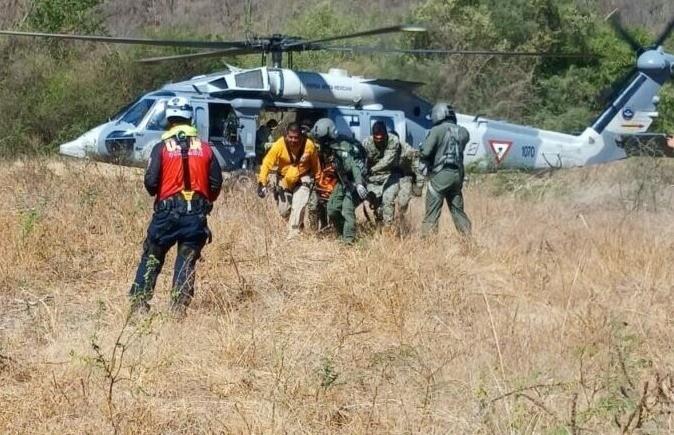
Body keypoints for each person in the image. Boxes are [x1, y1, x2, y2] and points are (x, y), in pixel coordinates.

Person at [129, 96, 223, 317]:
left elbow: (151, 184)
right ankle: (178, 309)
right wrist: (203, 202)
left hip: (166, 215)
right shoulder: (207, 149)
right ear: (190, 118)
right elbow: (216, 183)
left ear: (169, 119)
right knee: (186, 261)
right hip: (195, 216)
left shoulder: (161, 148)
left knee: (152, 256)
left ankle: (139, 307)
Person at [257, 122, 321, 238]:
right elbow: (267, 163)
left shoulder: (309, 145)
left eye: (296, 137)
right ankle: (298, 224)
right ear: (286, 135)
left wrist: (318, 180)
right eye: (290, 137)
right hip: (284, 180)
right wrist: (262, 182)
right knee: (284, 211)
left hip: (303, 179)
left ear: (300, 135)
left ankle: (293, 236)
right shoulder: (279, 145)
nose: (293, 140)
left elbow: (316, 164)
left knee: (298, 206)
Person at [311, 118, 368, 243]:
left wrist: (359, 184)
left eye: (322, 139)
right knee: (332, 209)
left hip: (355, 181)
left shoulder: (343, 147)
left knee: (347, 209)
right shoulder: (328, 145)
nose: (320, 142)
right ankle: (344, 234)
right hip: (343, 181)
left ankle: (349, 241)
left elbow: (354, 166)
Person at [419, 102, 471, 237]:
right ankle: (468, 241)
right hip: (457, 176)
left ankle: (428, 244)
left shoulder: (437, 130)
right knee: (458, 211)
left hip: (440, 176)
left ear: (438, 114)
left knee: (432, 212)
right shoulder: (463, 132)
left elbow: (425, 152)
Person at [361, 121, 402, 231]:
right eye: (376, 137)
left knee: (387, 200)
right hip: (373, 179)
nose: (379, 140)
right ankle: (379, 229)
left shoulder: (393, 140)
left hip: (390, 175)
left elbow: (388, 160)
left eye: (381, 137)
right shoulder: (366, 143)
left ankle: (388, 231)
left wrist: (372, 169)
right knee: (377, 206)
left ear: (386, 134)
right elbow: (360, 160)